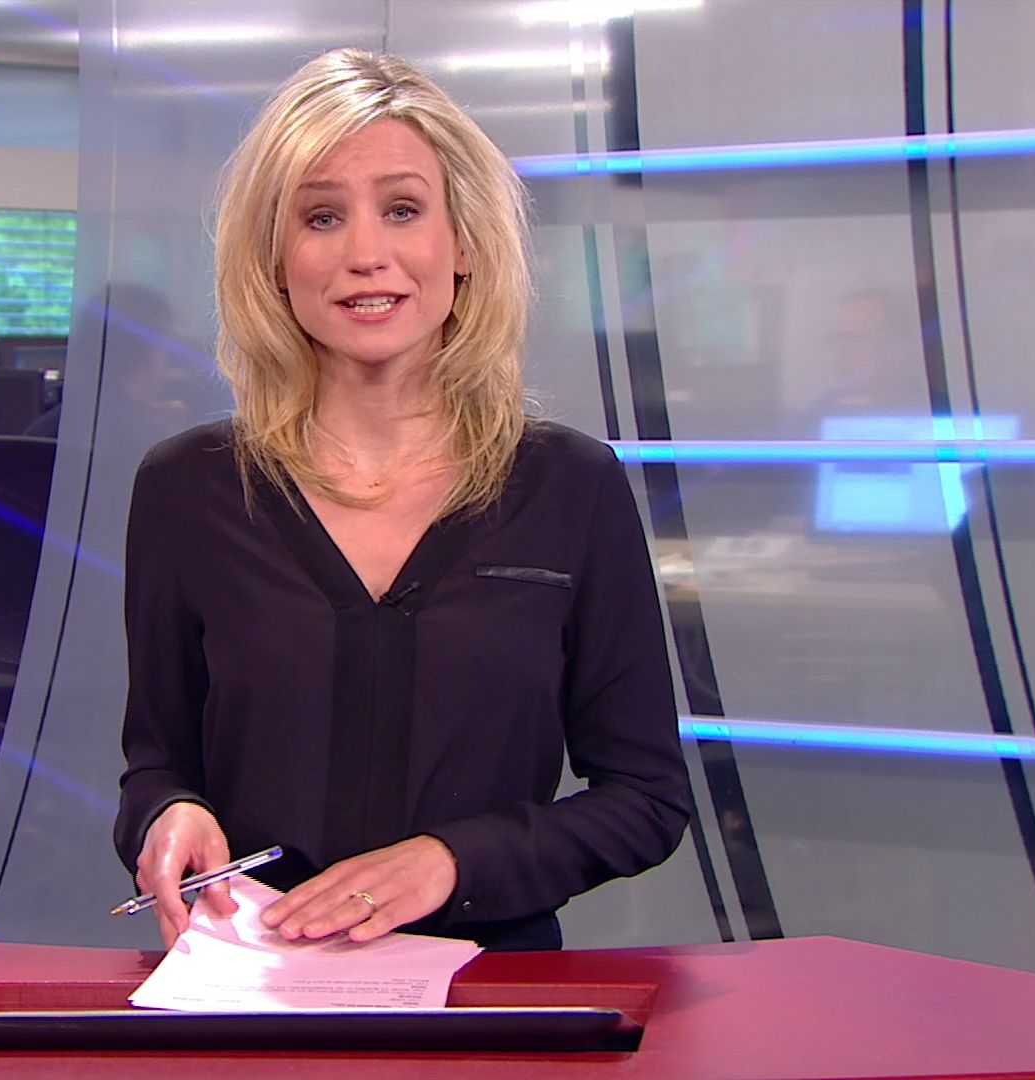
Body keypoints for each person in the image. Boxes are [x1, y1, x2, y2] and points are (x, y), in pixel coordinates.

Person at [113, 48, 690, 952]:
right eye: (321, 217)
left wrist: (454, 861)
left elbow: (647, 798)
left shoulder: (572, 487)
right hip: (255, 980)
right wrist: (167, 815)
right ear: (274, 259)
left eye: (403, 210)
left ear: (463, 246)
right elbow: (156, 764)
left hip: (486, 986)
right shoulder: (188, 489)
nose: (365, 255)